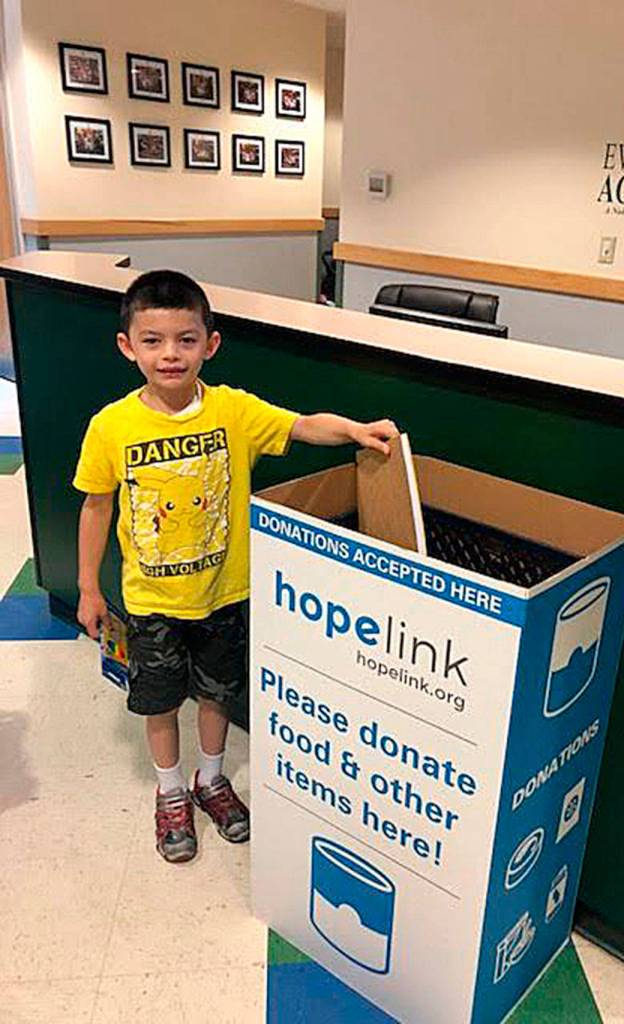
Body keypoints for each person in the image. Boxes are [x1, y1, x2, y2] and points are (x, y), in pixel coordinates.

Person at [73, 269, 397, 864]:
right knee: (160, 702)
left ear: (211, 344)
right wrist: (89, 587)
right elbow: (96, 507)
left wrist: (354, 429)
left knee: (218, 694)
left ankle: (211, 778)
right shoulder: (110, 426)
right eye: (153, 340)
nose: (170, 355)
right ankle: (171, 789)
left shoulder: (233, 411)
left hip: (223, 594)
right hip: (149, 601)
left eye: (186, 339)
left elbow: (301, 425)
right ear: (127, 346)